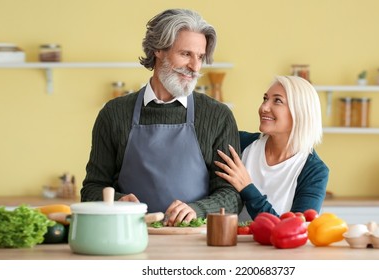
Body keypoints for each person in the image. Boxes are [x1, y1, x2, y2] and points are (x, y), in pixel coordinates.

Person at [81, 9, 242, 226]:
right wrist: (118, 202)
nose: (195, 67)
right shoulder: (114, 114)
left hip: (194, 243)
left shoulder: (217, 116)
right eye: (185, 54)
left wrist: (196, 210)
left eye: (200, 57)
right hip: (127, 237)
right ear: (158, 49)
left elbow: (232, 194)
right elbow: (91, 190)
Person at [214, 76, 329, 222]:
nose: (264, 107)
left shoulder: (315, 171)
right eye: (265, 99)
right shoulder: (240, 143)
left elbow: (294, 230)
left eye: (277, 101)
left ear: (299, 112)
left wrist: (247, 188)